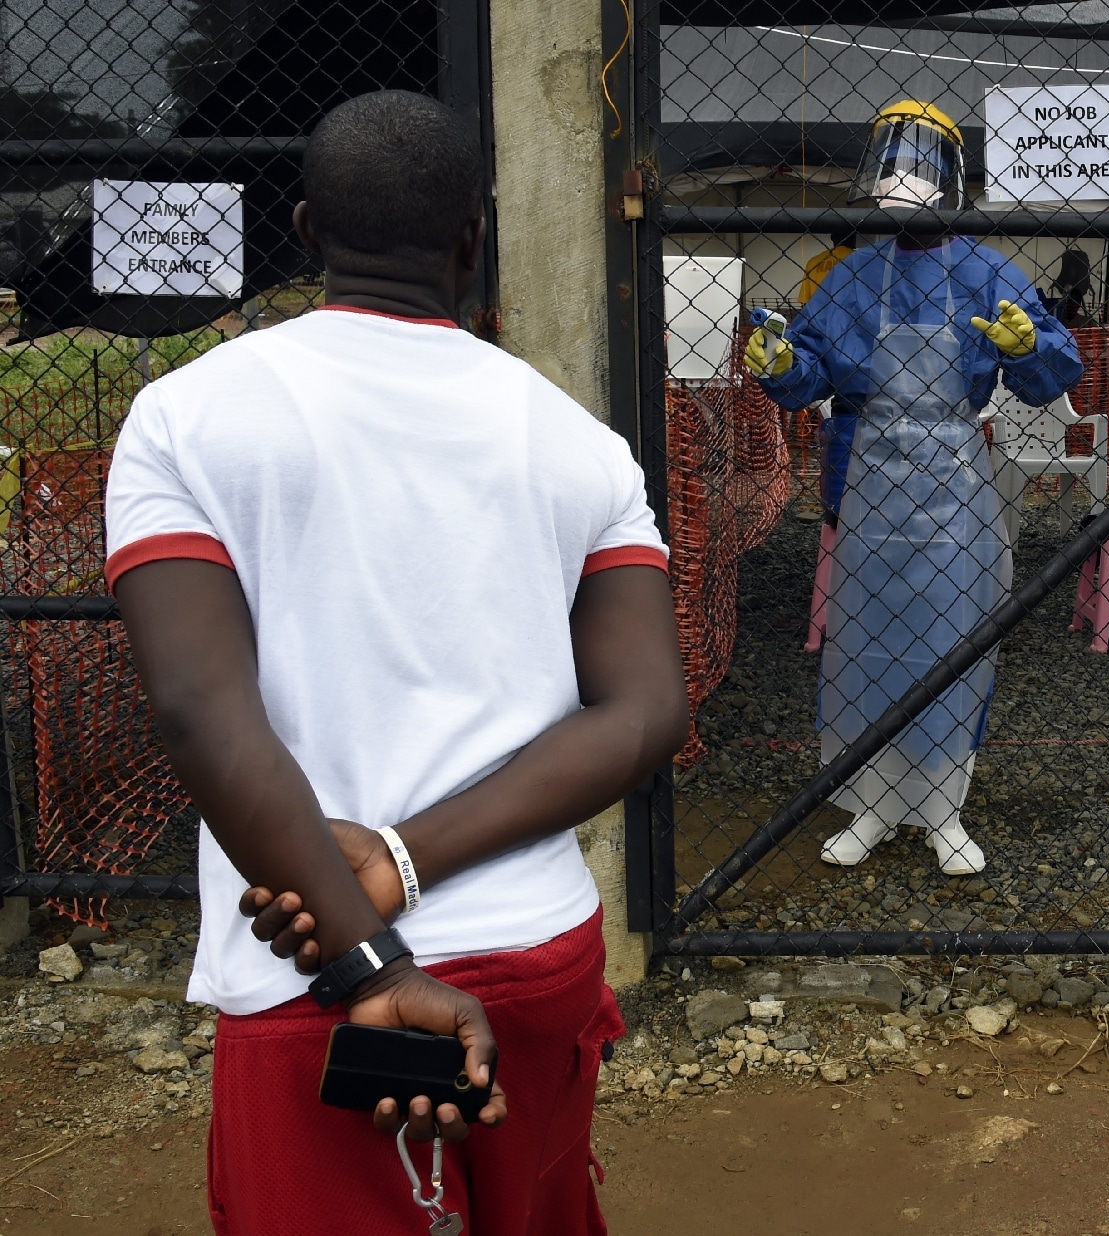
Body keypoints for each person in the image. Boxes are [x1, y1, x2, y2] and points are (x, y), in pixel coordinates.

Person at [106, 90, 688, 1234]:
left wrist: (371, 963)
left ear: (306, 232)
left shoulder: (184, 417)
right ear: (474, 240)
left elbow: (201, 709)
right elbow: (644, 710)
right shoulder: (582, 445)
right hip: (533, 945)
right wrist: (404, 861)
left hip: (312, 969)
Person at [745, 99, 1083, 875]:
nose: (899, 179)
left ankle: (943, 811)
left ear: (951, 179)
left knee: (951, 643)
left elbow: (1050, 371)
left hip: (956, 484)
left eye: (918, 165)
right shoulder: (852, 275)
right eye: (890, 164)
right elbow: (812, 369)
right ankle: (869, 801)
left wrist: (1028, 349)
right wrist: (782, 364)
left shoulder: (990, 272)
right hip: (868, 479)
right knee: (865, 644)